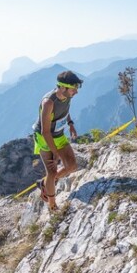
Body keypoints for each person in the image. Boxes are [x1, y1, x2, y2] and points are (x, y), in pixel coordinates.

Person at [32, 70, 82, 211]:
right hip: (44, 138)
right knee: (52, 171)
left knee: (72, 166)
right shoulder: (48, 102)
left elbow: (65, 110)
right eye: (73, 89)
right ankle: (52, 205)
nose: (76, 92)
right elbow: (45, 131)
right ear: (63, 87)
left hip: (58, 134)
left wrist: (70, 124)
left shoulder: (67, 96)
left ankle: (44, 184)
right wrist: (55, 153)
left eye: (77, 88)